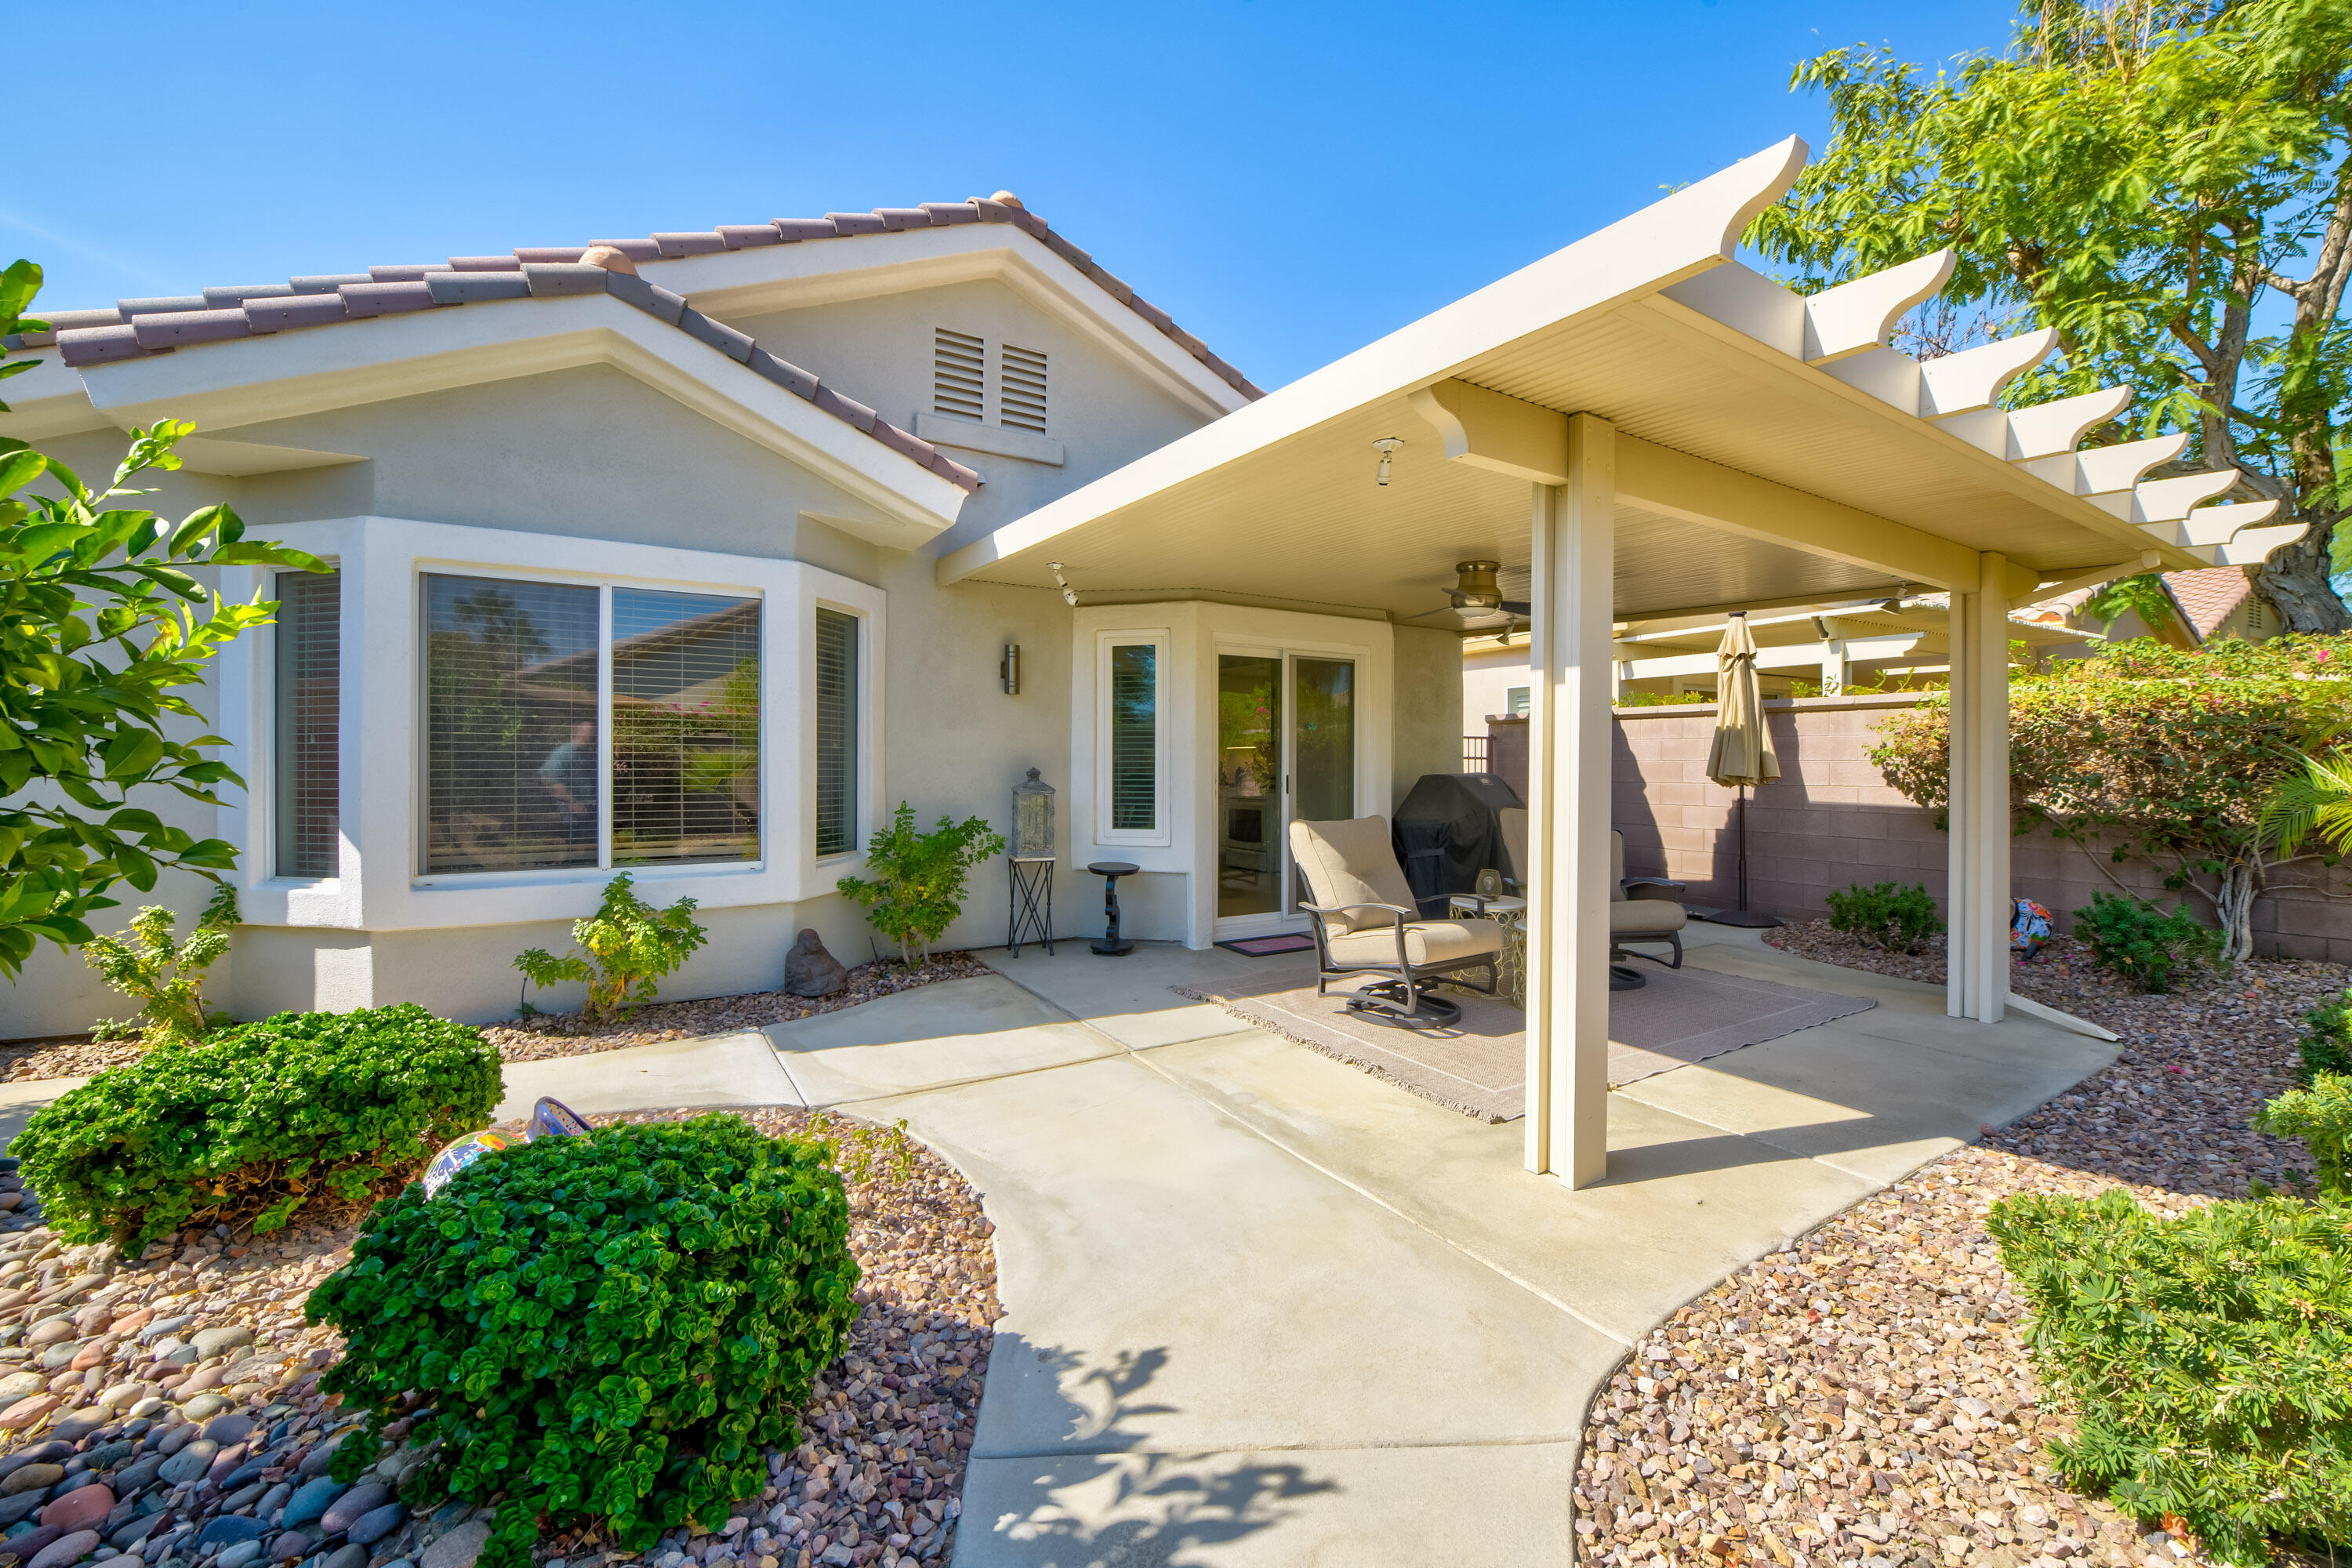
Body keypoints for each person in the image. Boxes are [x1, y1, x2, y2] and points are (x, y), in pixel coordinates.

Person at [539, 720, 597, 847]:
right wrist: (572, 802)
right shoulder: (564, 753)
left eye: (594, 738)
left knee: (592, 846)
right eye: (590, 737)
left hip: (591, 807)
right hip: (573, 810)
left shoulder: (590, 754)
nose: (594, 741)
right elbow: (550, 780)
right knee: (578, 846)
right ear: (576, 735)